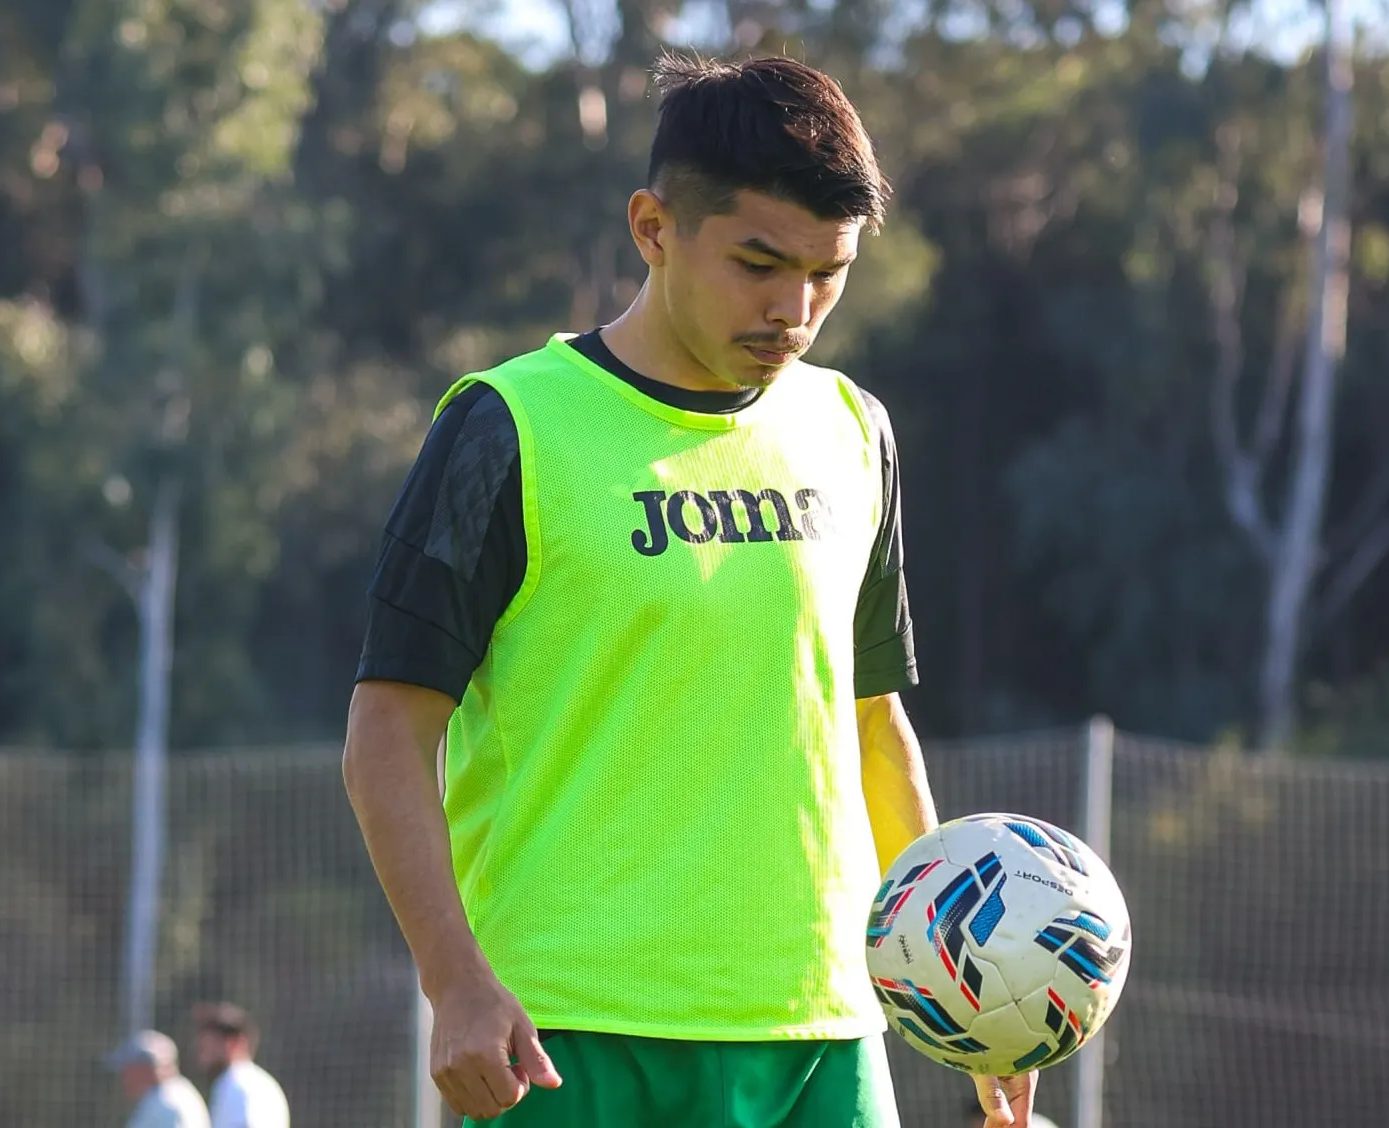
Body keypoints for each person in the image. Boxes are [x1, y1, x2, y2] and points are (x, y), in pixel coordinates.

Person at [342, 52, 1037, 1128]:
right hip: (564, 1033)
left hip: (820, 1032)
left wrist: (961, 991)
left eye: (828, 272)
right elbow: (387, 732)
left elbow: (869, 721)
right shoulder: (506, 428)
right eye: (759, 263)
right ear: (653, 228)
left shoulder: (852, 432)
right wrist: (454, 979)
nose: (794, 308)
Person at [191, 1002, 290, 1128]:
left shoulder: (236, 1084)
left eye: (210, 1043)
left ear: (235, 1042)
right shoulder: (259, 1081)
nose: (201, 1050)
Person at [105, 1030, 210, 1128]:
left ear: (144, 1069)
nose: (123, 1078)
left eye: (127, 1069)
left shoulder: (164, 1102)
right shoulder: (180, 1091)